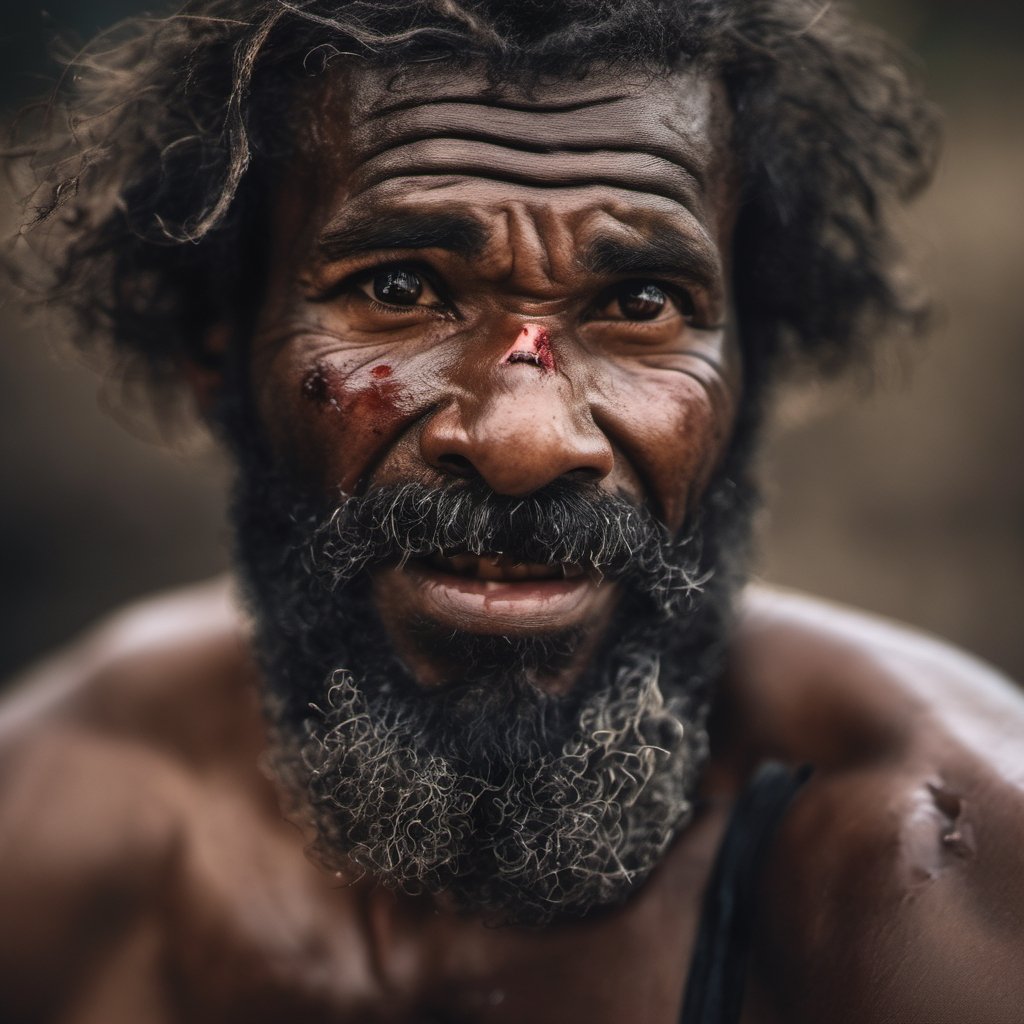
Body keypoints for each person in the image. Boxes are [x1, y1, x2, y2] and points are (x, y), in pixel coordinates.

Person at [1, 1, 1022, 1021]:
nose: (524, 441)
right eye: (397, 286)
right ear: (216, 342)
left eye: (639, 303)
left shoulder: (946, 873)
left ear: (753, 370)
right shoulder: (56, 818)